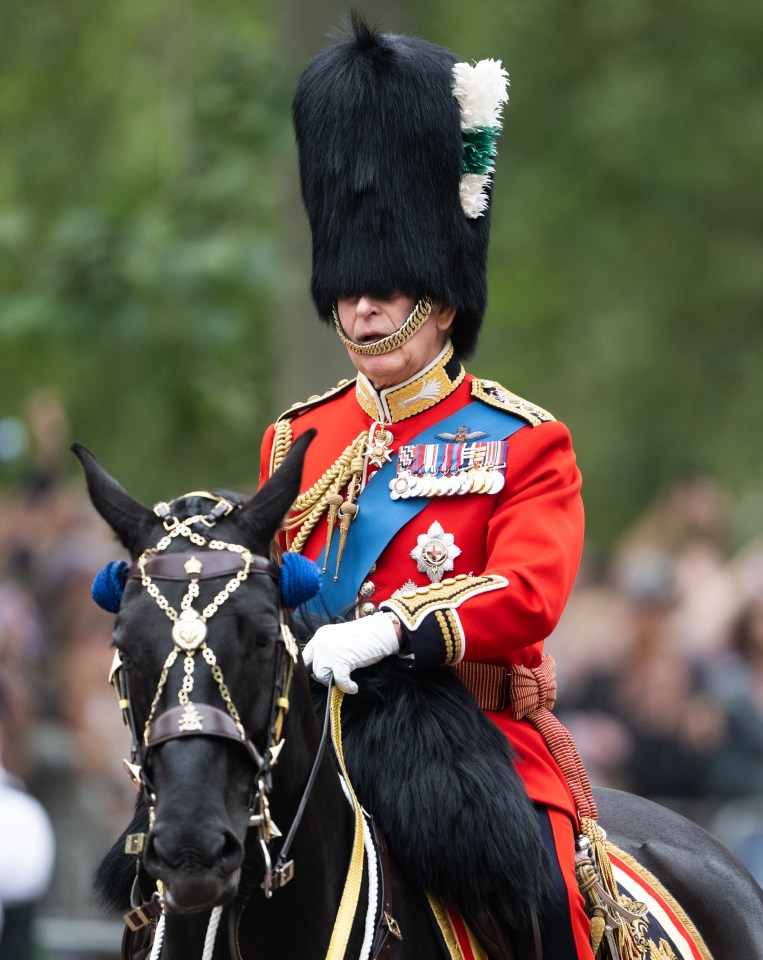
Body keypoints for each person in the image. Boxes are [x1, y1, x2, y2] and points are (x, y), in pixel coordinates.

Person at [259, 16, 605, 960]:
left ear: (441, 296)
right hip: (314, 742)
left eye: (385, 285)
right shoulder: (299, 436)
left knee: (543, 913)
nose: (361, 305)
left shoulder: (523, 441)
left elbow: (528, 594)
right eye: (347, 288)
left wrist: (397, 629)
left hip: (466, 738)